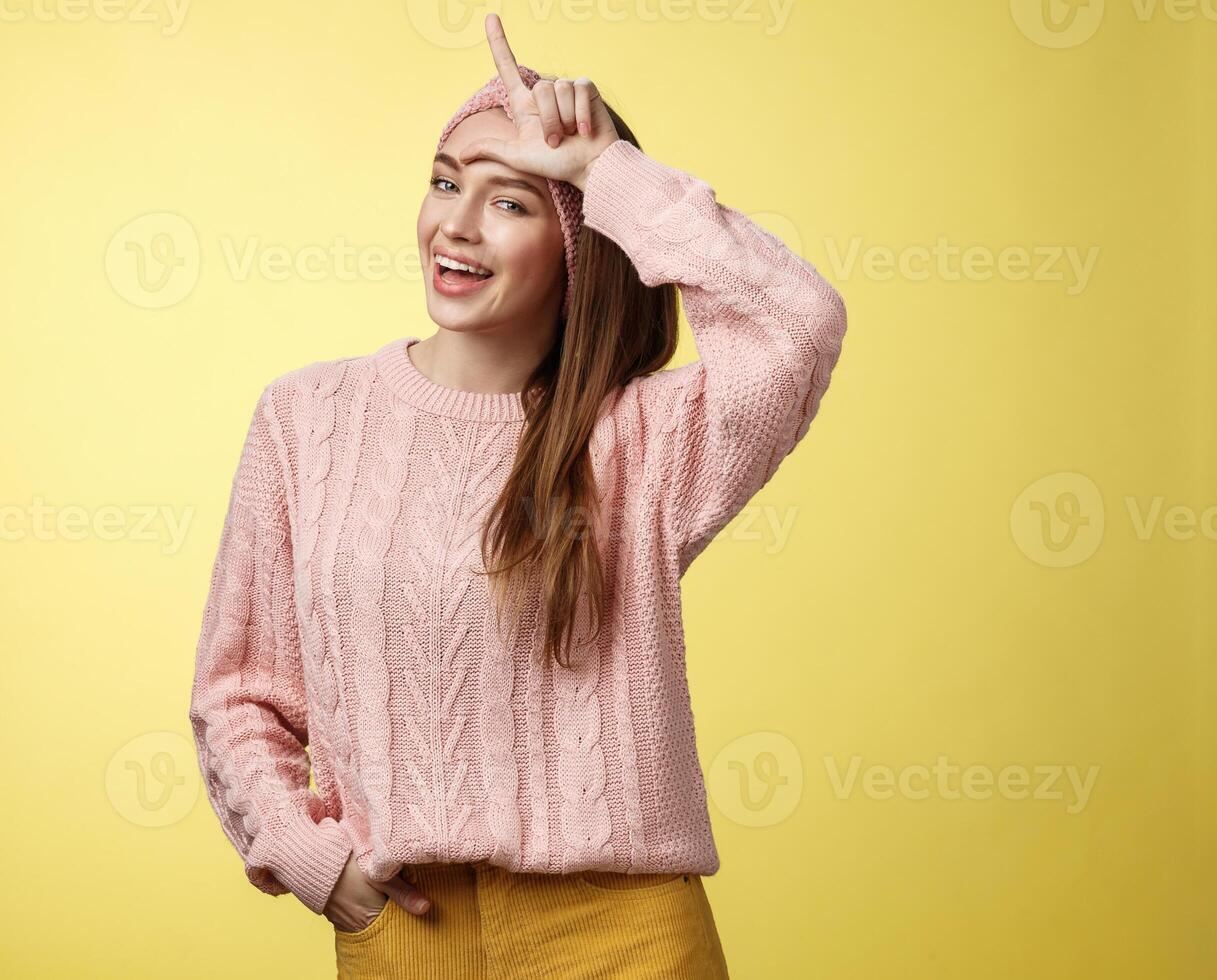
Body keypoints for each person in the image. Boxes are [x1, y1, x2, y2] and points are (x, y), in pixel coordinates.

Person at [185, 14, 846, 977]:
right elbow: (239, 691)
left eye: (511, 202)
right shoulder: (306, 419)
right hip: (409, 929)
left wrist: (608, 169)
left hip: (624, 934)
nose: (456, 223)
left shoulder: (641, 442)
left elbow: (797, 324)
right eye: (446, 181)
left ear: (577, 247)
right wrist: (311, 859)